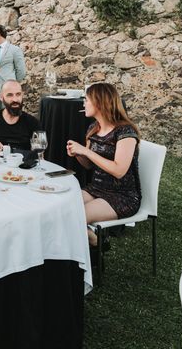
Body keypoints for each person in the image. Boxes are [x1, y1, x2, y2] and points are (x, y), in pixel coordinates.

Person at [66, 83, 141, 247]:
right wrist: (78, 154)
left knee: (74, 217)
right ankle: (82, 244)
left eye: (86, 100)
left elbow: (119, 170)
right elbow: (88, 166)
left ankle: (97, 242)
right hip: (97, 188)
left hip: (122, 196)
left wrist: (87, 152)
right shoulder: (94, 128)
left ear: (99, 103)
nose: (83, 104)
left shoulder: (125, 132)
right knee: (62, 207)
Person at [0, 80, 40, 152]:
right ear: (1, 97)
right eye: (10, 95)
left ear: (22, 95)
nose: (15, 99)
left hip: (22, 162)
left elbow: (40, 154)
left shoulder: (32, 122)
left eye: (18, 94)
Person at [0, 24, 26, 113]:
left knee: (9, 116)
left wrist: (12, 84)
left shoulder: (14, 50)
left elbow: (21, 71)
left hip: (8, 90)